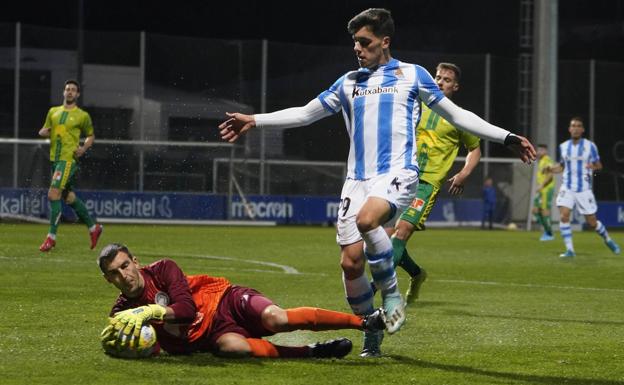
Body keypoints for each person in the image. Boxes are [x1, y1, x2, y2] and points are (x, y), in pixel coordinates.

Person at [218, 8, 535, 356]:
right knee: (350, 262)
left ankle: (393, 292)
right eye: (355, 42)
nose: (358, 48)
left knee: (368, 220)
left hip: (398, 173)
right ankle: (372, 326)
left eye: (365, 41)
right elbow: (306, 113)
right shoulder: (348, 83)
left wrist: (507, 137)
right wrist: (254, 119)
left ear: (384, 41)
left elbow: (458, 115)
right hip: (357, 181)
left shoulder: (412, 75)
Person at [98, 243, 385, 359]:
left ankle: (364, 322)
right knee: (234, 348)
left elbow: (185, 310)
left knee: (277, 318)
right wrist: (121, 347)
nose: (123, 275)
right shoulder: (122, 312)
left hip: (225, 300)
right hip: (211, 336)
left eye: (125, 266)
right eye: (114, 273)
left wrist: (150, 311)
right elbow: (143, 347)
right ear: (108, 280)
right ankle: (312, 352)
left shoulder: (163, 269)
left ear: (135, 262)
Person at [382, 62, 482, 306]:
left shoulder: (459, 117)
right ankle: (417, 274)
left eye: (446, 80)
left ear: (455, 87)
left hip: (428, 183)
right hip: (403, 176)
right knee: (384, 240)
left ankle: (379, 291)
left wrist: (464, 173)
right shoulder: (417, 106)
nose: (439, 82)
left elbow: (475, 149)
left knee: (402, 231)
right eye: (437, 77)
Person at [37, 79, 103, 252]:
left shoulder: (82, 115)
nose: (70, 92)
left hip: (68, 160)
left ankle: (51, 238)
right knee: (68, 197)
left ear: (78, 94)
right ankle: (93, 227)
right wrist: (43, 132)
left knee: (53, 194)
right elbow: (47, 129)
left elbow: (90, 135)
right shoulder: (53, 112)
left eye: (73, 90)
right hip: (55, 159)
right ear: (63, 92)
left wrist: (84, 148)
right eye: (67, 89)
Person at [547, 116, 620, 258]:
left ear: (582, 129)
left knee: (592, 222)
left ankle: (608, 239)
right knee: (564, 215)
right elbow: (561, 166)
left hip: (584, 189)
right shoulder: (563, 147)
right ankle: (570, 250)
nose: (575, 128)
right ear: (569, 129)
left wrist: (592, 166)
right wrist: (551, 169)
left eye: (578, 126)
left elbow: (599, 165)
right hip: (567, 187)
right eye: (573, 125)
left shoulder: (590, 146)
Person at [533, 144, 555, 241]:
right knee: (535, 211)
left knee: (545, 211)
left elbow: (550, 175)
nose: (539, 152)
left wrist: (542, 185)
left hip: (546, 189)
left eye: (541, 150)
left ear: (545, 151)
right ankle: (547, 231)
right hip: (541, 189)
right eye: (538, 150)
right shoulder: (541, 161)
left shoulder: (547, 160)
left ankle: (549, 234)